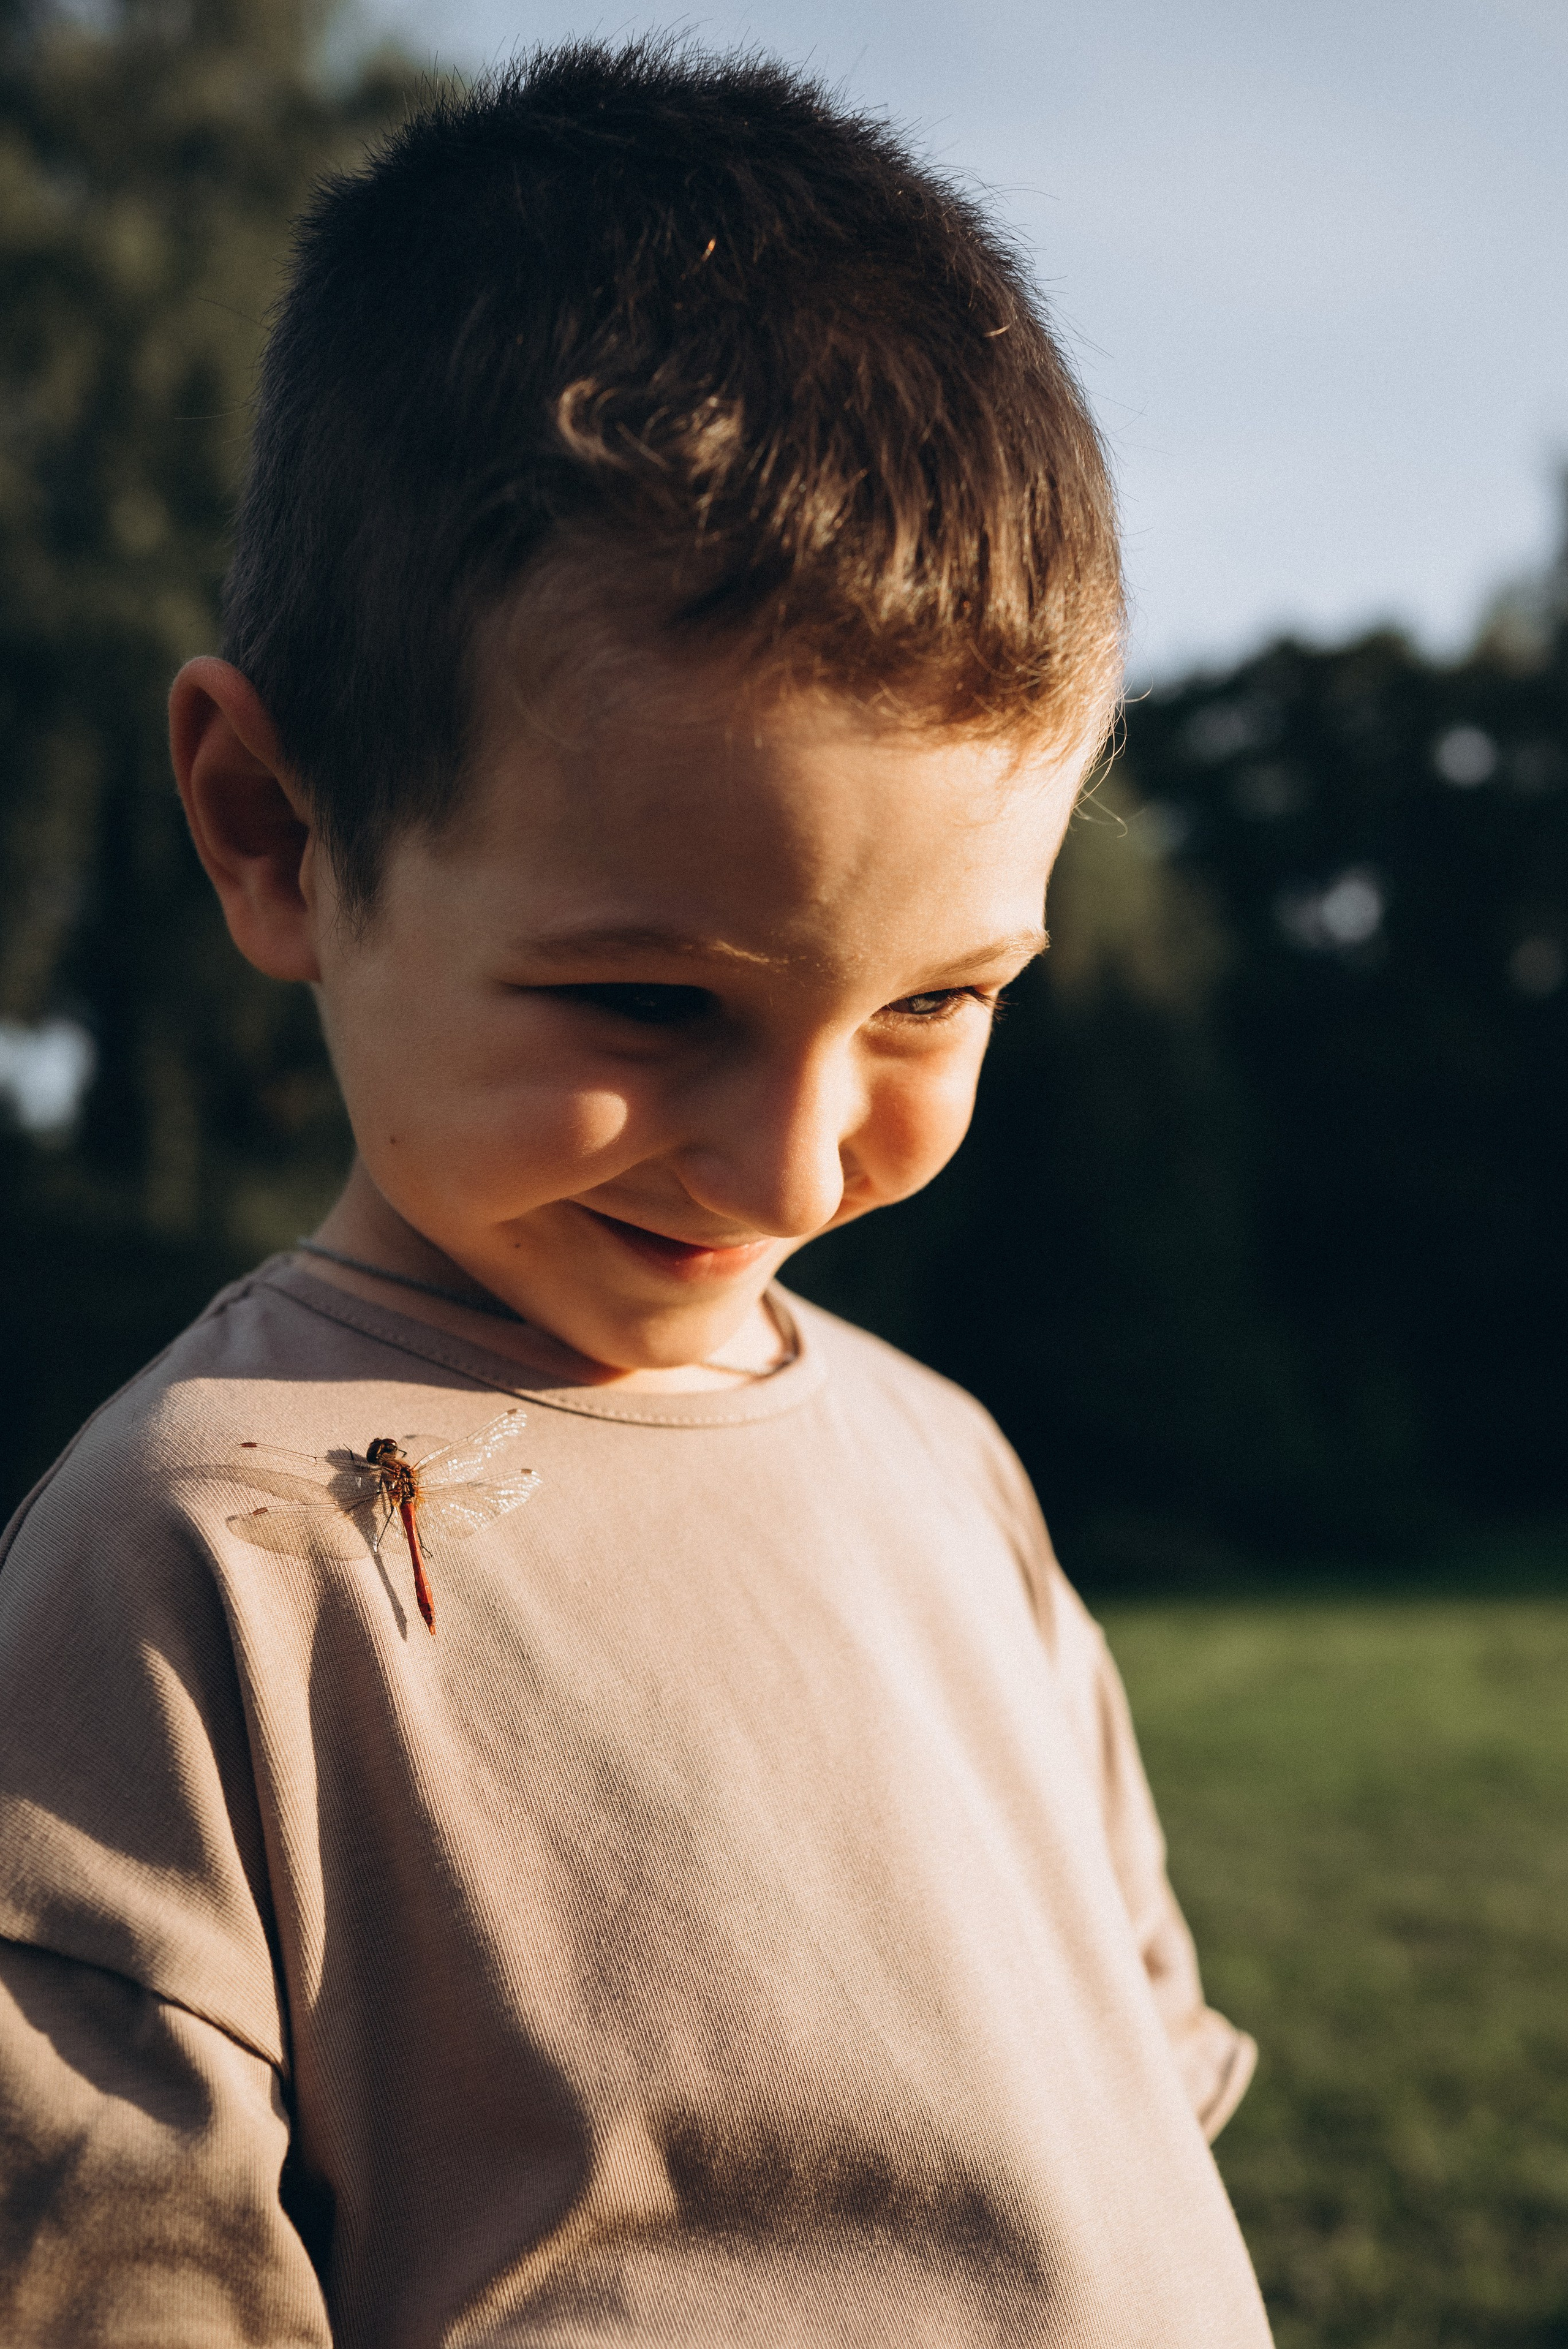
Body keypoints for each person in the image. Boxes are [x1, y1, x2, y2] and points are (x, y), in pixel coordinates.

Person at [0, 42, 1272, 2348]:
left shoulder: (947, 1468)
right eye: (651, 1006)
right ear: (274, 827)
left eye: (936, 1003)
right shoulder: (185, 1563)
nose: (797, 1163)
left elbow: (1130, 2155)